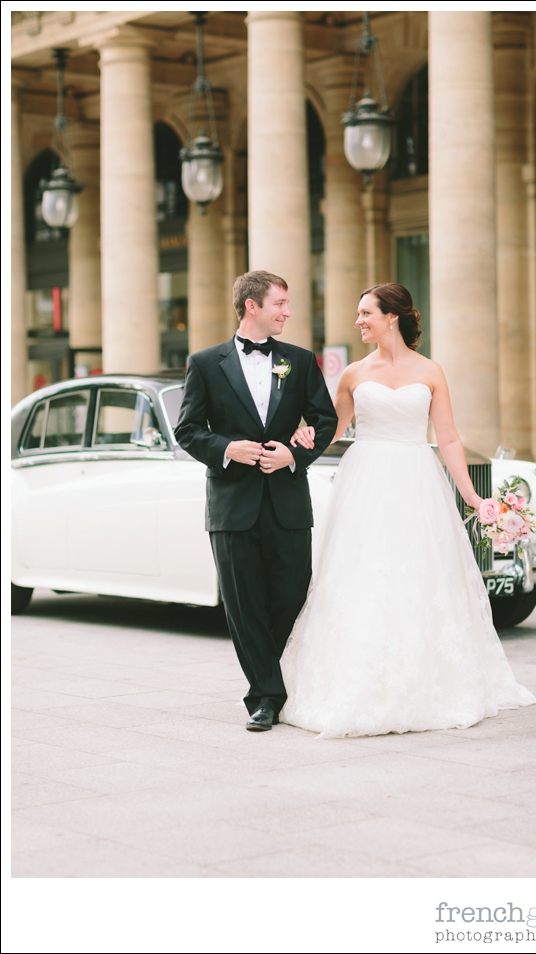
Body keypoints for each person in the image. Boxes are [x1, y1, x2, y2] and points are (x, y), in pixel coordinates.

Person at [280, 283, 536, 738]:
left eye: (366, 313)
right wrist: (298, 444)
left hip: (417, 478)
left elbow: (450, 439)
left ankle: (425, 680)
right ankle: (358, 681)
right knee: (364, 573)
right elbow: (332, 428)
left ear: (392, 317)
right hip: (365, 481)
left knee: (419, 574)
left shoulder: (431, 371)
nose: (358, 321)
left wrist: (474, 498)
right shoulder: (354, 374)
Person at [174, 271, 337, 732]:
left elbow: (325, 420)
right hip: (231, 504)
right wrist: (228, 449)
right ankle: (265, 695)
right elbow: (187, 429)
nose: (287, 311)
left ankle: (269, 678)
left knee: (292, 592)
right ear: (252, 306)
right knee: (243, 603)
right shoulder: (206, 363)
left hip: (287, 500)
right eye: (280, 303)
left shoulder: (300, 361)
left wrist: (294, 453)